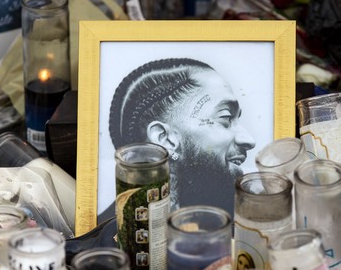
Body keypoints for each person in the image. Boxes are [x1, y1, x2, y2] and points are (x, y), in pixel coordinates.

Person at [102, 58, 256, 221]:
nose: (249, 140)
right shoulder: (109, 241)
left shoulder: (244, 226)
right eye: (226, 117)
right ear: (165, 139)